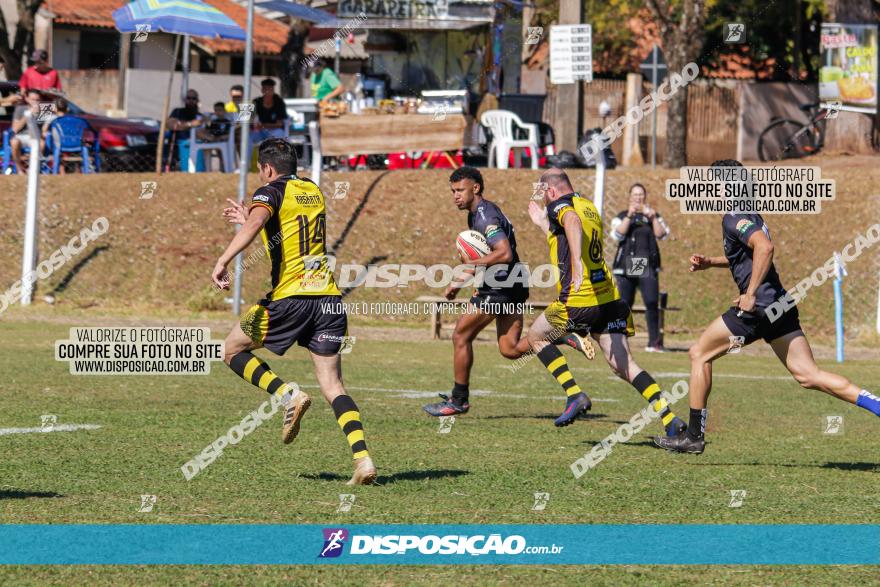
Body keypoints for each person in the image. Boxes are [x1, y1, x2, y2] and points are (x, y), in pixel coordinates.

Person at [654, 159, 880, 455]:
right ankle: (876, 404)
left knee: (699, 353)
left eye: (716, 184)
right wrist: (713, 262)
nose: (713, 190)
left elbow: (765, 248)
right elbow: (749, 253)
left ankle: (693, 436)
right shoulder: (749, 215)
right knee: (808, 375)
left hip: (757, 308)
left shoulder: (734, 216)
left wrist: (748, 294)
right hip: (779, 305)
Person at [212, 138, 377, 485]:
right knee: (334, 385)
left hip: (290, 299)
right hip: (329, 301)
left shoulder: (269, 191)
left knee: (230, 349)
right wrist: (252, 218)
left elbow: (260, 223)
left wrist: (224, 259)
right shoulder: (312, 190)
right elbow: (287, 230)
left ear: (267, 169)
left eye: (260, 170)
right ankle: (363, 460)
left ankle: (289, 394)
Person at [514, 169, 687, 436]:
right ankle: (670, 419)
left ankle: (574, 394)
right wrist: (542, 224)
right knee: (624, 365)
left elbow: (570, 222)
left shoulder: (561, 206)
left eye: (544, 195)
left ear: (551, 192)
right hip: (607, 298)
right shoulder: (588, 205)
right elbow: (567, 230)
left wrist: (575, 265)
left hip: (578, 300)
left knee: (537, 337)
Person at [422, 167, 595, 427]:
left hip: (500, 289)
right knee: (510, 349)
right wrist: (467, 279)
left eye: (460, 190)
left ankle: (458, 400)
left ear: (476, 188)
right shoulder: (479, 214)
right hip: (510, 285)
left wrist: (466, 273)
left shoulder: (484, 216)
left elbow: (503, 253)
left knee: (460, 335)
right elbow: (493, 254)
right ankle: (563, 335)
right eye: (453, 191)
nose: (455, 196)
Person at [610, 183, 671, 352]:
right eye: (635, 194)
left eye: (641, 194)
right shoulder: (622, 215)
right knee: (624, 304)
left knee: (651, 302)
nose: (638, 197)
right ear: (630, 197)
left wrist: (652, 218)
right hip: (626, 264)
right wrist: (629, 216)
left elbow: (662, 234)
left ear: (645, 197)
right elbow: (617, 234)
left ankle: (654, 343)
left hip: (646, 264)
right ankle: (619, 341)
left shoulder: (653, 216)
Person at [8, 88, 51, 171]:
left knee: (41, 143)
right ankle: (19, 169)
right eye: (32, 99)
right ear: (27, 99)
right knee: (14, 142)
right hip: (21, 136)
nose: (35, 102)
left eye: (37, 100)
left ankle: (31, 169)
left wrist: (43, 115)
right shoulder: (20, 109)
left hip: (36, 136)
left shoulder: (45, 109)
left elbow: (44, 130)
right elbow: (15, 129)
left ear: (41, 100)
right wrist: (28, 115)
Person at [167, 89, 205, 171]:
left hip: (197, 147)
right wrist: (190, 124)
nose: (191, 100)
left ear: (197, 100)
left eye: (193, 98)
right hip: (180, 147)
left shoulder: (200, 116)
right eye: (188, 98)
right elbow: (171, 125)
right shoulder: (177, 111)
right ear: (185, 100)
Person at [251, 78, 287, 143]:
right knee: (248, 136)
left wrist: (263, 125)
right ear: (262, 90)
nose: (268, 91)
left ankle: (275, 153)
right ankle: (245, 153)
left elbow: (279, 124)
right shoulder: (256, 101)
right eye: (265, 89)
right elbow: (250, 120)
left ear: (273, 90)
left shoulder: (279, 102)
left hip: (275, 131)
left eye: (270, 89)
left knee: (278, 135)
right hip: (260, 132)